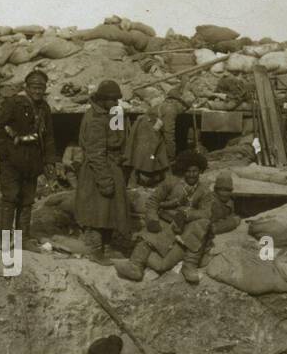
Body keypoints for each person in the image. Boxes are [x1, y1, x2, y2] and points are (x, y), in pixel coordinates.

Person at [115, 151, 207, 282]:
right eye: (188, 171)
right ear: (183, 170)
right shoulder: (171, 182)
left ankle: (188, 266)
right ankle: (135, 267)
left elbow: (206, 212)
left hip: (185, 228)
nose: (191, 174)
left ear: (200, 171)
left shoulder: (204, 190)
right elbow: (153, 201)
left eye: (195, 171)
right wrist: (152, 219)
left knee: (164, 262)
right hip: (165, 221)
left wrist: (187, 214)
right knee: (148, 238)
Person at [0, 70, 57, 247]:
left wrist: (50, 161)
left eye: (41, 87)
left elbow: (49, 136)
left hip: (33, 161)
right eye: (34, 87)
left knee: (27, 200)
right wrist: (6, 153)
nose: (38, 91)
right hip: (12, 161)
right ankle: (5, 239)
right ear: (26, 87)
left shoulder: (44, 108)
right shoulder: (14, 104)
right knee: (10, 198)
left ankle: (23, 239)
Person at [75, 79, 132, 264]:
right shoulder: (95, 120)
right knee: (97, 213)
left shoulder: (112, 113)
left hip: (112, 166)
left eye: (118, 100)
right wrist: (105, 180)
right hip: (97, 171)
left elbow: (117, 139)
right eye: (113, 100)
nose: (116, 104)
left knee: (110, 211)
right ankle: (95, 251)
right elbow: (96, 153)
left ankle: (107, 248)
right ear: (102, 99)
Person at [173, 170, 240, 284]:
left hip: (208, 229)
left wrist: (231, 221)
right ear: (216, 190)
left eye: (228, 190)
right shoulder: (210, 200)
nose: (224, 193)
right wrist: (231, 223)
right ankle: (189, 264)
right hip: (194, 228)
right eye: (221, 190)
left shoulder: (229, 203)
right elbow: (207, 220)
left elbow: (230, 217)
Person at [125, 84, 189, 187]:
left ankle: (137, 182)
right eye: (184, 107)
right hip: (148, 130)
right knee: (147, 157)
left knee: (142, 156)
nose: (183, 110)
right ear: (178, 102)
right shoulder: (170, 109)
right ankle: (137, 183)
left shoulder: (164, 105)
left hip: (147, 127)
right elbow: (169, 134)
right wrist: (171, 155)